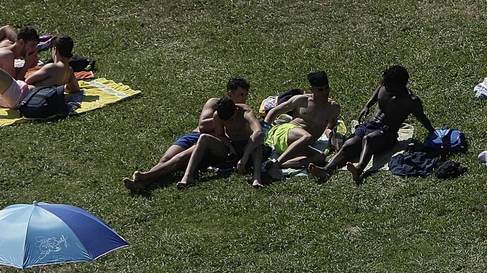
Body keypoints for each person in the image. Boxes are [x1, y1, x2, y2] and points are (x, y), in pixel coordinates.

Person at [125, 78, 262, 191]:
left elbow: (249, 132)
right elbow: (202, 126)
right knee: (166, 157)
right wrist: (220, 117)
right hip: (194, 135)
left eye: (246, 95)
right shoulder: (214, 105)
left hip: (208, 141)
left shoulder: (241, 112)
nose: (244, 99)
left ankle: (145, 179)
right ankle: (144, 181)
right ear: (230, 94)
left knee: (180, 158)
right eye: (241, 95)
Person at [317, 64, 435, 184]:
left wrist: (433, 132)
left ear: (399, 85)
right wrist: (367, 105)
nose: (384, 86)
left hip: (387, 133)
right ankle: (326, 170)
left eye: (388, 85)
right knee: (349, 144)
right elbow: (378, 91)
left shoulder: (410, 101)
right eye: (384, 83)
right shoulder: (384, 86)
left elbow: (422, 117)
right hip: (369, 125)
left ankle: (359, 169)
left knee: (368, 139)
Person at [0, 35, 80, 116]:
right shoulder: (69, 71)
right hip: (18, 98)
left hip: (22, 95)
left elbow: (29, 80)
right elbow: (74, 89)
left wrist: (27, 65)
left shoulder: (52, 67)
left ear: (55, 51)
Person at [262, 70, 343, 179]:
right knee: (306, 136)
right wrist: (264, 131)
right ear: (312, 89)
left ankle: (279, 164)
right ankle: (275, 166)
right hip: (286, 133)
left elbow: (330, 126)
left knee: (320, 157)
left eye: (326, 89)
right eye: (320, 90)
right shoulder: (302, 100)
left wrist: (333, 137)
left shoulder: (333, 108)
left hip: (300, 145)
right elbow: (274, 111)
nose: (324, 93)